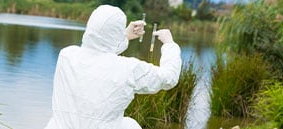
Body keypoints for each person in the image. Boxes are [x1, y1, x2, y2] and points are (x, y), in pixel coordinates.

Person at [44, 5, 181, 129]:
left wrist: (124, 36)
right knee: (130, 125)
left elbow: (96, 56)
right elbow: (169, 78)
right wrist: (170, 45)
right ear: (116, 33)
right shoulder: (128, 69)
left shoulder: (66, 56)